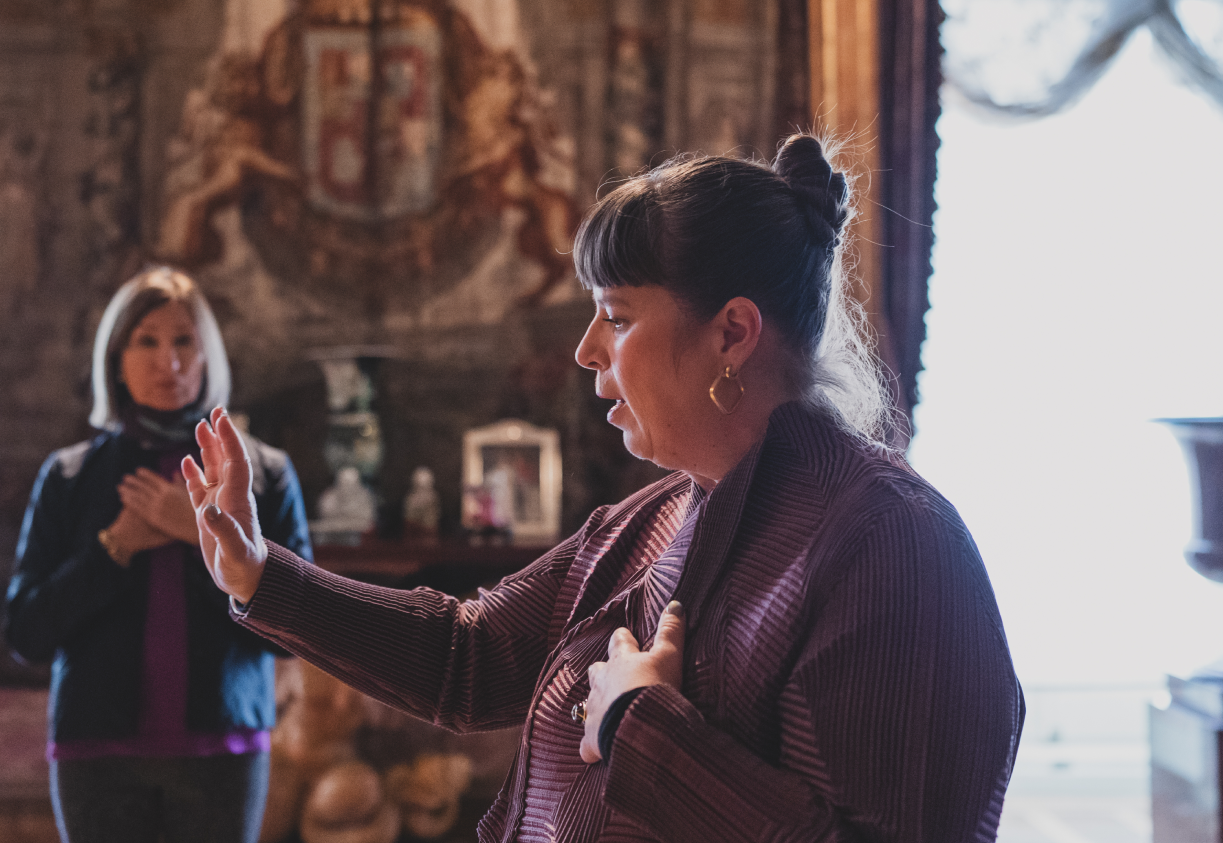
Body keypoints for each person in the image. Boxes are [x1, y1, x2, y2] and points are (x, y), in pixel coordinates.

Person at [185, 135, 1023, 842]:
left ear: (732, 332)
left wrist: (641, 726)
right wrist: (263, 577)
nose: (587, 349)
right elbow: (469, 657)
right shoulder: (650, 521)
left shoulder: (893, 544)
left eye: (617, 315)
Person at [4, 267, 312, 843]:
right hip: (95, 753)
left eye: (183, 342)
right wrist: (114, 547)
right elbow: (27, 633)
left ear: (207, 357)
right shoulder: (69, 478)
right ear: (115, 358)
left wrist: (199, 537)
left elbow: (295, 631)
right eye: (146, 341)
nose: (167, 362)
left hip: (225, 749)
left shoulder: (263, 474)